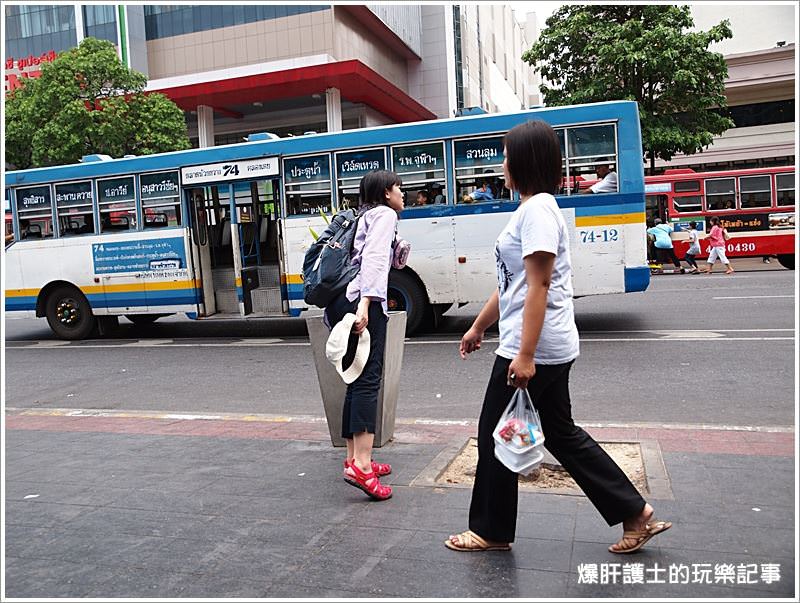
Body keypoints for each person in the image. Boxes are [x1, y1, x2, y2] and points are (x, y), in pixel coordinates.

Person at [445, 120, 670, 554]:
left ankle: (490, 530)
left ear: (523, 161)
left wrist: (524, 355)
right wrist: (478, 326)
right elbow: (512, 282)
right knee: (562, 434)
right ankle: (635, 513)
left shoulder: (538, 212)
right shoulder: (530, 209)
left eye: (507, 155)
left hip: (536, 348)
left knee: (495, 430)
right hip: (542, 344)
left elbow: (539, 287)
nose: (502, 164)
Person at [324, 169, 405, 501]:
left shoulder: (366, 215)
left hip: (344, 297)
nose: (404, 194)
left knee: (355, 377)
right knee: (368, 377)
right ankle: (362, 463)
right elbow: (372, 260)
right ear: (387, 192)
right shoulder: (384, 214)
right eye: (399, 188)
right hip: (362, 300)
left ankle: (352, 457)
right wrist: (367, 305)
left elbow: (385, 259)